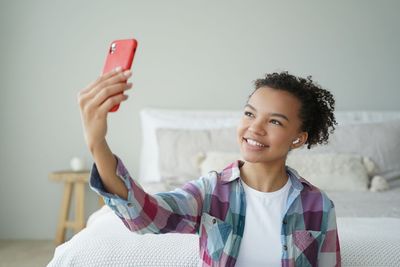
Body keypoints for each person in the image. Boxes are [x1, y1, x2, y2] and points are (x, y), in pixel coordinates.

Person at [78, 67, 341, 267]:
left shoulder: (319, 204)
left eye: (274, 122)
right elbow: (145, 217)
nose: (255, 128)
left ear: (299, 138)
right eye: (250, 114)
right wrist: (97, 144)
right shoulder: (210, 192)